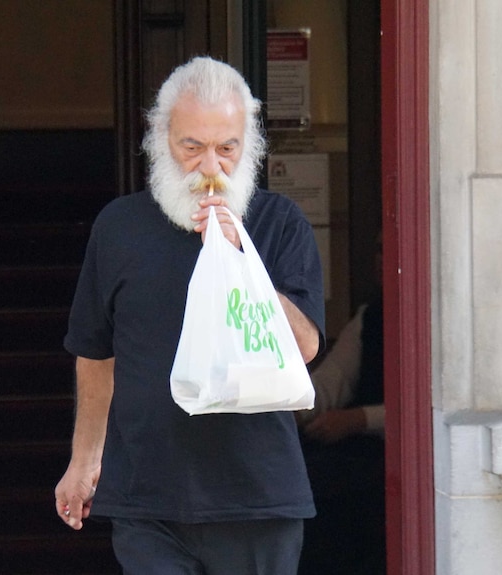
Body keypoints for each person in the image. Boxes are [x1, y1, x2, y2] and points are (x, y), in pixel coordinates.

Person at [54, 56, 326, 575]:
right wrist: (85, 461)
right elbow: (95, 354)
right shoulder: (119, 227)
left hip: (257, 501)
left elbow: (306, 347)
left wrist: (242, 257)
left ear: (250, 145)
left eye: (227, 148)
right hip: (146, 500)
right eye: (191, 147)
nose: (210, 168)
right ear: (161, 138)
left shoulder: (280, 225)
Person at [295, 293, 386, 575]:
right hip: (351, 450)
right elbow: (333, 382)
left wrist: (359, 419)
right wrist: (288, 408)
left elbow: (431, 411)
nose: (382, 260)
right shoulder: (371, 315)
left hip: (394, 455)